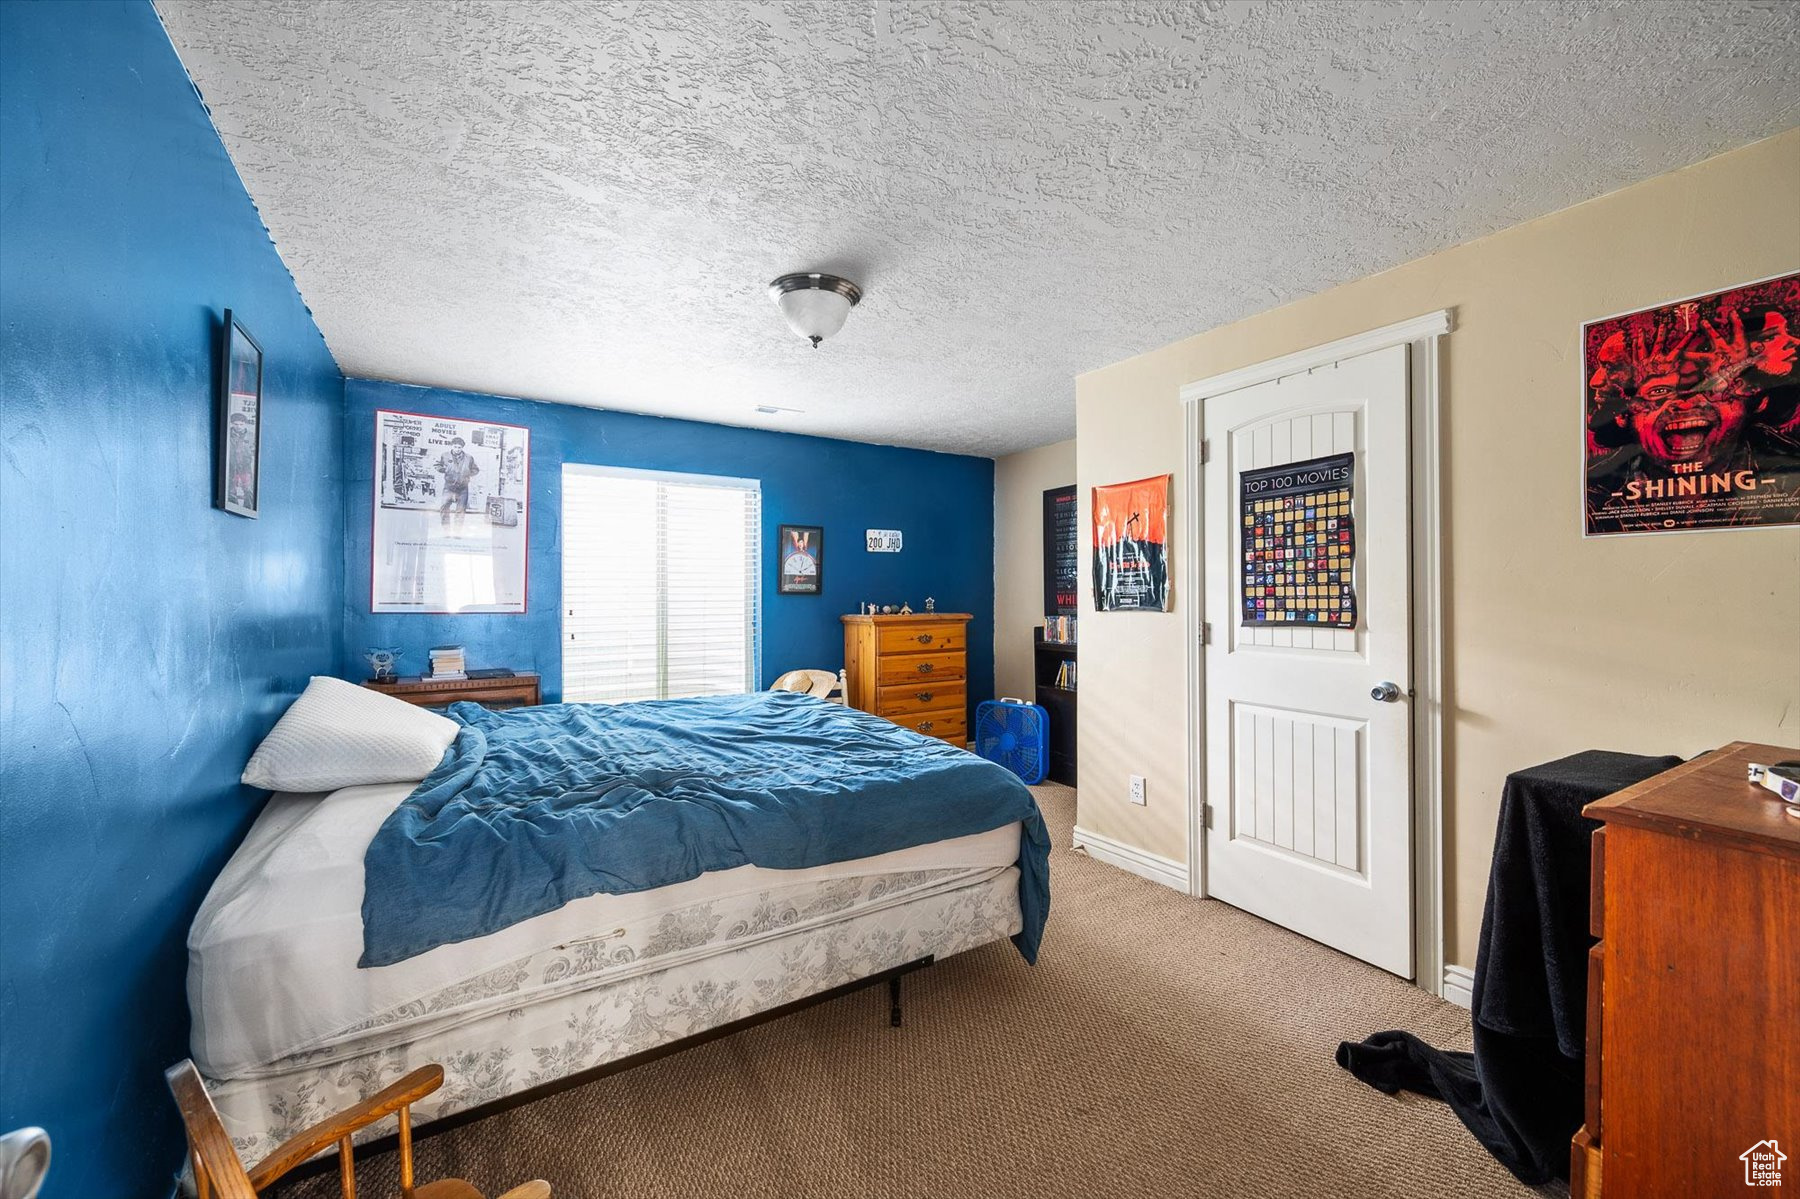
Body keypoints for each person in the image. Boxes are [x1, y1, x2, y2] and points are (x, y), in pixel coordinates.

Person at [435, 437, 480, 530]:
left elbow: (475, 469)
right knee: (444, 508)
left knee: (460, 510)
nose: (457, 449)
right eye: (455, 447)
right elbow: (437, 465)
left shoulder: (469, 458)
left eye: (459, 447)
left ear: (462, 447)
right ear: (452, 446)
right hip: (449, 487)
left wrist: (467, 474)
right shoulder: (445, 455)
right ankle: (446, 530)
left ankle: (457, 531)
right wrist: (445, 470)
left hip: (463, 488)